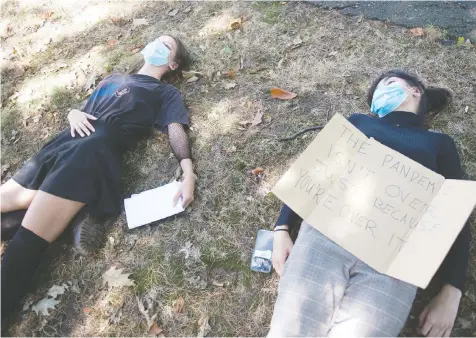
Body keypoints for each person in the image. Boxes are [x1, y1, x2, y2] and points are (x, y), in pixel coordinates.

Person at [0, 35, 196, 321]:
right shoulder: (112, 79)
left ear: (173, 63)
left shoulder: (164, 93)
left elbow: (176, 130)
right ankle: (74, 221)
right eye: (156, 39)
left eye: (166, 46)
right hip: (62, 143)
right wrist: (71, 114)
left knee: (25, 243)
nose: (156, 44)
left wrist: (188, 173)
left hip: (92, 153)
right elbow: (82, 108)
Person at [269, 70, 471, 337]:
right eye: (375, 93)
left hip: (393, 265)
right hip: (326, 239)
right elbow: (316, 169)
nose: (379, 93)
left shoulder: (440, 144)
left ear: (416, 90)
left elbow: (455, 214)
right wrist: (282, 228)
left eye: (388, 84)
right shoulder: (360, 122)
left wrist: (452, 291)